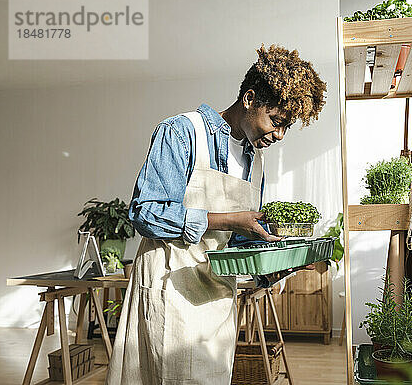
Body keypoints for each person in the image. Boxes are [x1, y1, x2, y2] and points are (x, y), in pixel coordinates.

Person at [105, 45, 326, 385]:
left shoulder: (257, 162)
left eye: (287, 127)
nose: (280, 135)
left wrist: (283, 262)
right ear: (249, 98)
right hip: (170, 294)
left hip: (218, 303)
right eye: (277, 121)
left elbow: (236, 247)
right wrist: (227, 219)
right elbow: (144, 213)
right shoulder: (182, 132)